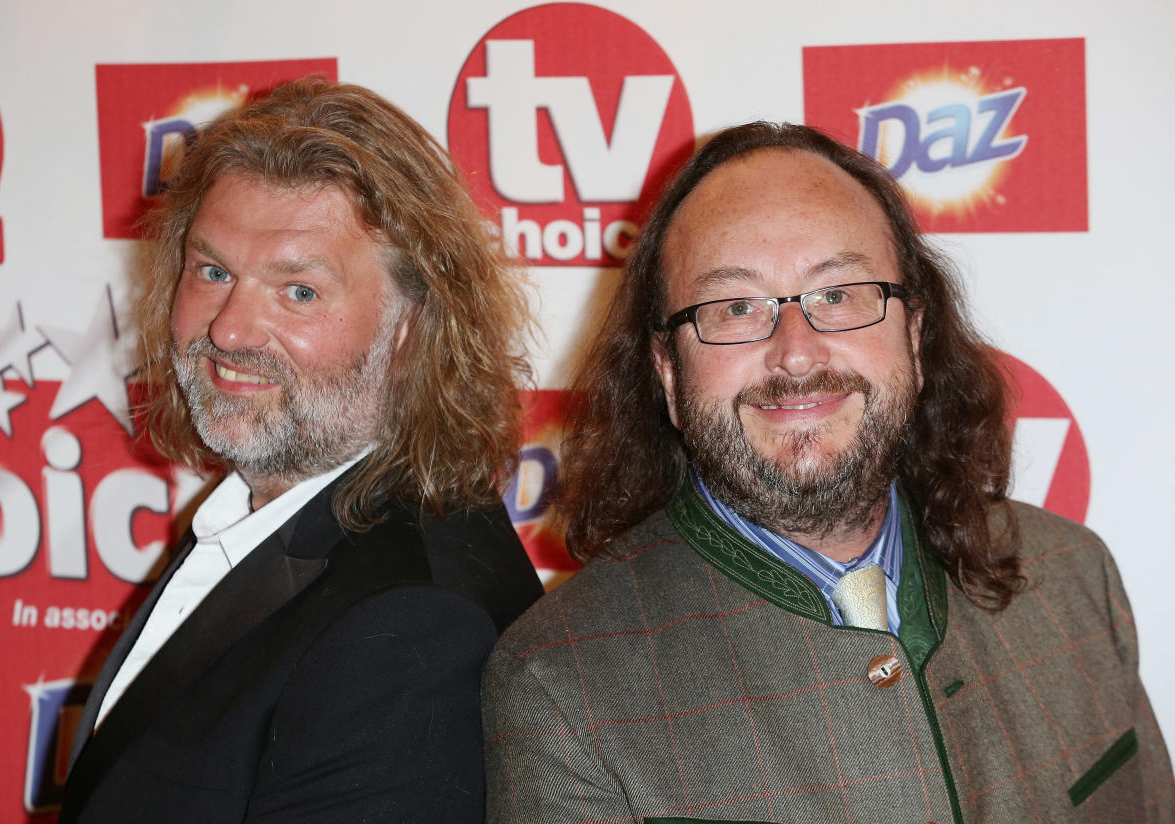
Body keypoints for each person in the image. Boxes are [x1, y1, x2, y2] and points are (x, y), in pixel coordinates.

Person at [482, 122, 1174, 823]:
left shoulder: (1072, 576)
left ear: (912, 333)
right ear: (666, 371)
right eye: (736, 306)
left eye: (839, 294)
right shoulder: (562, 686)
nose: (797, 354)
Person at [58, 78, 544, 823]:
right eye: (213, 272)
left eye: (299, 292)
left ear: (413, 328)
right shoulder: (272, 512)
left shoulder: (413, 628)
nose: (228, 330)